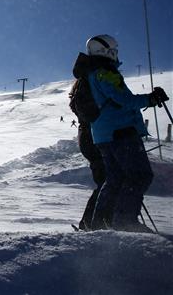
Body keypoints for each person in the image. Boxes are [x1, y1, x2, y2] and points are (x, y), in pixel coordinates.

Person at [83, 34, 168, 232]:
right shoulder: (105, 72)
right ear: (105, 52)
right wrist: (151, 99)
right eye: (113, 51)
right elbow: (124, 100)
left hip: (104, 135)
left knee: (115, 178)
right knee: (139, 175)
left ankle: (99, 224)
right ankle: (125, 221)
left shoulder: (92, 73)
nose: (115, 55)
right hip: (120, 132)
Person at [70, 51, 113, 231]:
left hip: (91, 136)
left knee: (108, 179)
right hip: (95, 137)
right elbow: (88, 111)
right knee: (109, 179)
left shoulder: (85, 78)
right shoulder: (92, 78)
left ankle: (96, 222)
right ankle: (95, 223)